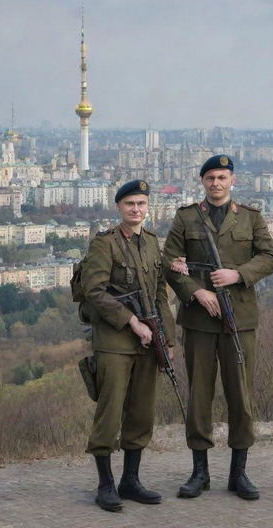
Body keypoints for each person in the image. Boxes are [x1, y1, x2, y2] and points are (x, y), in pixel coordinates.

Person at [163, 154, 273, 500]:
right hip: (199, 321)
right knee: (199, 395)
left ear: (232, 181)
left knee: (240, 397)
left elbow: (270, 257)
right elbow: (169, 263)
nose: (216, 183)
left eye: (222, 177)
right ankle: (200, 473)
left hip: (239, 320)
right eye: (210, 177)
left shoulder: (252, 218)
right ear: (203, 182)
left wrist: (237, 275)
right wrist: (196, 291)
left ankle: (239, 473)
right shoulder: (186, 217)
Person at [81, 179, 176, 512]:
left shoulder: (150, 242)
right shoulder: (104, 244)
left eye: (141, 204)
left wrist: (168, 338)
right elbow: (95, 292)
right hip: (115, 342)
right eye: (129, 204)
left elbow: (159, 293)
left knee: (141, 412)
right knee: (110, 412)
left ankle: (130, 481)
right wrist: (131, 321)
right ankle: (105, 484)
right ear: (119, 207)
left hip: (149, 342)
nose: (136, 209)